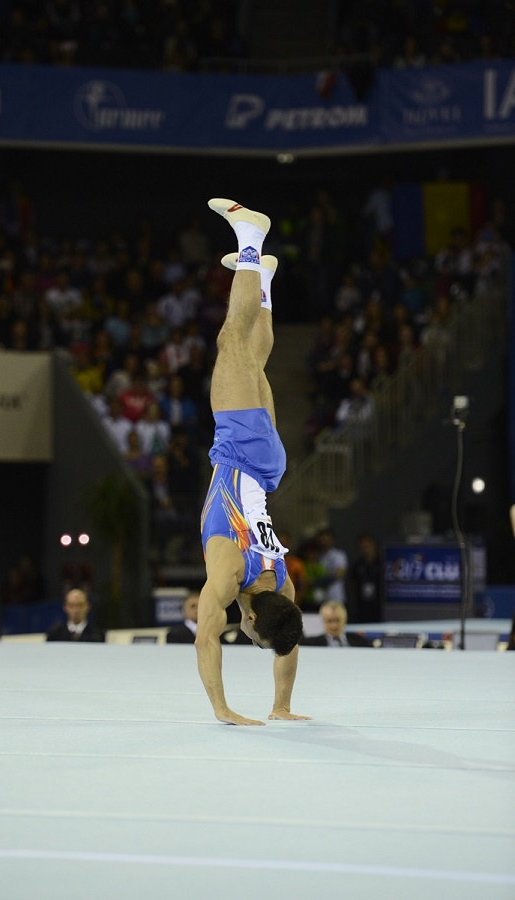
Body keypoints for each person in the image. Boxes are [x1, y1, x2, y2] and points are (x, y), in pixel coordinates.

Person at [196, 197, 308, 727]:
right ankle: (250, 235)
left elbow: (289, 640)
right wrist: (222, 709)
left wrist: (281, 706)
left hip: (268, 465)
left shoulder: (282, 586)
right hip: (242, 450)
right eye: (255, 637)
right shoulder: (231, 572)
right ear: (254, 618)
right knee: (231, 341)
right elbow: (204, 633)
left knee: (254, 358)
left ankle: (262, 275)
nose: (254, 641)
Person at [301, 601, 373, 647]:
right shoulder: (312, 645)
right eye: (329, 621)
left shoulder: (360, 642)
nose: (334, 626)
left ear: (345, 619)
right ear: (323, 621)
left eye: (337, 620)